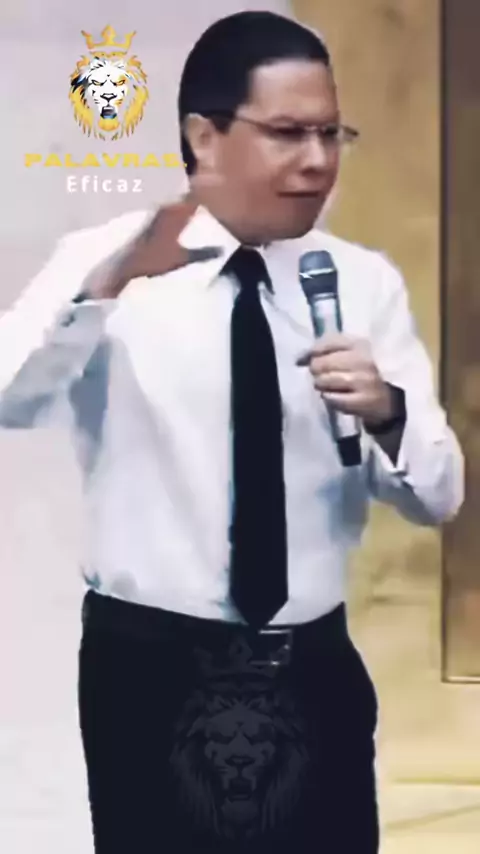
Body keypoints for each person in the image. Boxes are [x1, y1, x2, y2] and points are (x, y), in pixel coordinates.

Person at [0, 10, 464, 854]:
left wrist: (388, 410)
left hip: (309, 668)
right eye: (288, 133)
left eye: (331, 134)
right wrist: (100, 294)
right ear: (202, 137)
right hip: (151, 670)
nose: (318, 161)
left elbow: (439, 495)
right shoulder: (107, 260)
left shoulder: (360, 281)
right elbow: (9, 398)